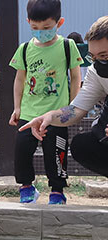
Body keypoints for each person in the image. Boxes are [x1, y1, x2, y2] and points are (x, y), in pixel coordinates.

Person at [9, 0, 83, 205]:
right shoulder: (24, 49)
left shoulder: (67, 46)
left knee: (56, 153)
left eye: (47, 27)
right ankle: (26, 187)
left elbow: (76, 77)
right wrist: (17, 108)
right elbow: (19, 80)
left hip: (57, 114)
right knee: (22, 151)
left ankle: (57, 190)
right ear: (28, 23)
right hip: (29, 112)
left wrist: (72, 107)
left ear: (59, 23)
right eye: (35, 28)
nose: (41, 33)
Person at [21, 16, 108, 179]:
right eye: (93, 57)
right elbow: (76, 110)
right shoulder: (96, 73)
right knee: (83, 145)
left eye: (104, 56)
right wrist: (49, 117)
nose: (98, 63)